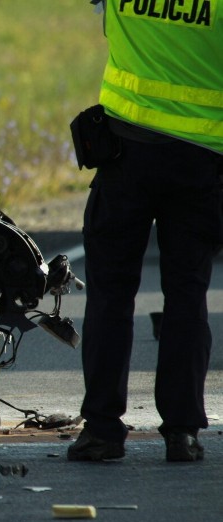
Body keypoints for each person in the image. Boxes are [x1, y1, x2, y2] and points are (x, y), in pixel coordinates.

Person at [67, 0, 223, 462]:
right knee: (186, 295)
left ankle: (101, 430)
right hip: (201, 163)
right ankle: (182, 432)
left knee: (111, 295)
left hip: (125, 156)